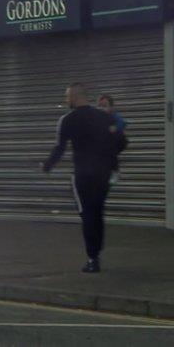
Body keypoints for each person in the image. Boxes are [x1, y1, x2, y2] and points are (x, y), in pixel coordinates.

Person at [41, 83, 126, 273]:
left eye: (67, 97)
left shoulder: (67, 120)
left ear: (74, 97)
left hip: (83, 175)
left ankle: (92, 258)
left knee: (87, 214)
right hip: (103, 174)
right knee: (97, 211)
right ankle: (96, 250)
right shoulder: (104, 117)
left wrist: (47, 166)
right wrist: (110, 162)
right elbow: (120, 142)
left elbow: (60, 148)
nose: (66, 100)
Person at [97, 94, 128, 184]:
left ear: (111, 107)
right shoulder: (98, 117)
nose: (102, 108)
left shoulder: (114, 116)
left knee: (111, 150)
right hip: (107, 144)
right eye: (100, 106)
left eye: (105, 106)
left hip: (119, 141)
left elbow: (122, 123)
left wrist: (115, 128)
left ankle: (115, 171)